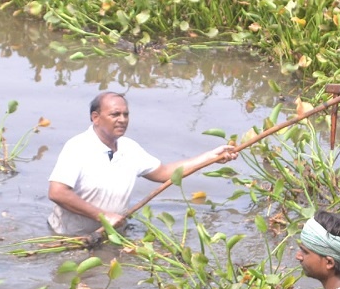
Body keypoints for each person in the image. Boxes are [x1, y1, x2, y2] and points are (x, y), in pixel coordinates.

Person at [47, 91, 238, 235]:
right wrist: (103, 217)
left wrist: (212, 156)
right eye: (115, 114)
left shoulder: (130, 148)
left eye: (126, 114)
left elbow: (164, 173)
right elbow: (57, 192)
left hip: (112, 234)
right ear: (96, 118)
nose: (122, 120)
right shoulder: (77, 147)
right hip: (70, 237)